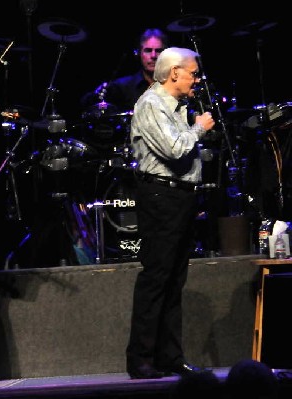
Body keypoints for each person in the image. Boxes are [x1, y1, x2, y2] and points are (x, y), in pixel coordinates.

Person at [125, 47, 215, 379]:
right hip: (161, 197)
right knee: (157, 278)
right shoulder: (151, 104)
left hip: (180, 198)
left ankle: (170, 357)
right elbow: (174, 149)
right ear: (175, 72)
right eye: (193, 73)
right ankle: (141, 358)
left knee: (175, 280)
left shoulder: (178, 107)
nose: (197, 79)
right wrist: (200, 128)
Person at [81, 28, 170, 114]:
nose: (153, 56)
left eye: (158, 51)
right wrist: (96, 96)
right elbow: (87, 103)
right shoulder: (123, 86)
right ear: (139, 53)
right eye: (148, 51)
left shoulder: (174, 84)